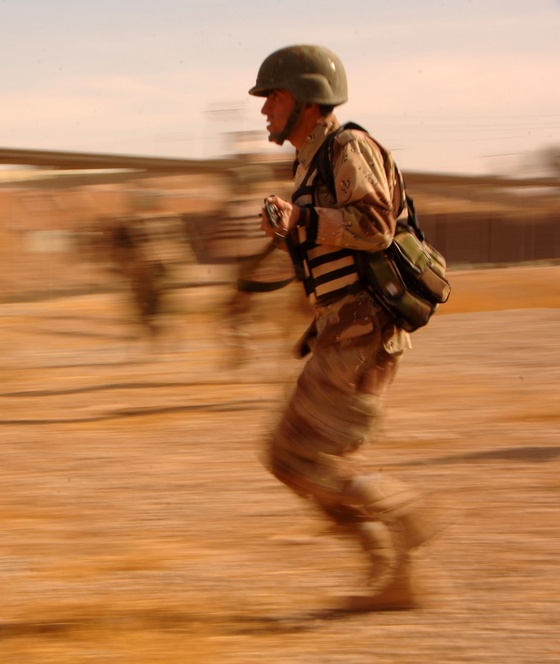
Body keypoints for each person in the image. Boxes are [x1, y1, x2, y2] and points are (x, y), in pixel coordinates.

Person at [249, 44, 446, 611]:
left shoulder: (347, 146)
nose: (265, 112)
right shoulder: (311, 160)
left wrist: (301, 219)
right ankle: (394, 572)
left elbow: (377, 225)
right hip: (345, 333)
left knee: (293, 457)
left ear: (307, 102)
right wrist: (292, 231)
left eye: (274, 99)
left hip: (363, 335)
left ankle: (404, 522)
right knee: (305, 460)